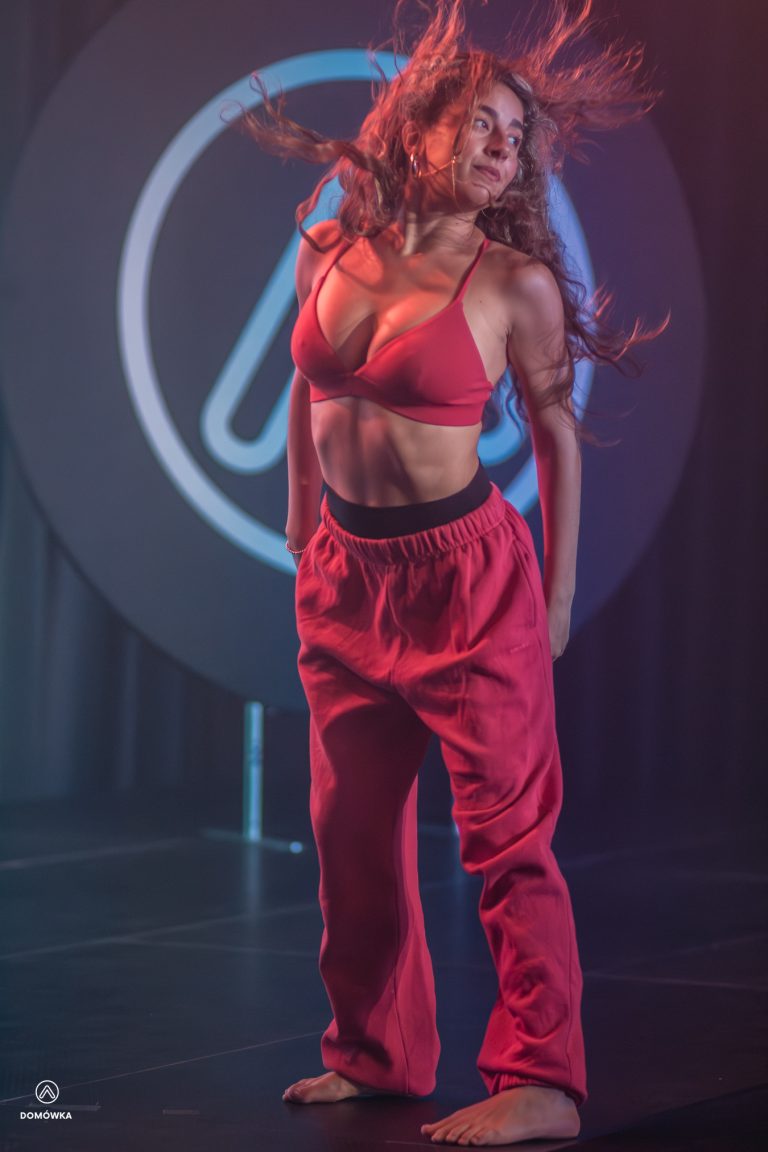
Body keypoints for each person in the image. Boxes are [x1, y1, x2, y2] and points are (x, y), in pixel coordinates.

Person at [240, 0, 660, 1144]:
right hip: (347, 578)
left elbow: (558, 437)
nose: (499, 146)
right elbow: (306, 381)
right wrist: (300, 517)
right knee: (350, 832)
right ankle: (376, 1054)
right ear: (419, 126)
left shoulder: (514, 283)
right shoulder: (330, 245)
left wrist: (556, 599)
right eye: (480, 122)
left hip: (467, 583)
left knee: (507, 839)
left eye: (514, 137)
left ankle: (543, 1081)